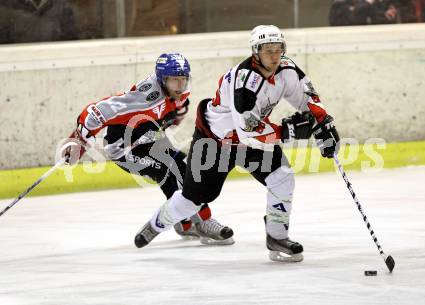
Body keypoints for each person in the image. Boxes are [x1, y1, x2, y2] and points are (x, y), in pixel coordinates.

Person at [134, 26, 340, 262]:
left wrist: (325, 125)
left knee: (282, 177)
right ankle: (155, 224)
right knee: (194, 198)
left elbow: (308, 100)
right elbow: (248, 132)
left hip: (251, 139)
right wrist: (287, 131)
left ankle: (277, 237)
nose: (274, 56)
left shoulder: (288, 69)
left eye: (278, 49)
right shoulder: (245, 82)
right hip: (215, 141)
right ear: (256, 52)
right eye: (267, 50)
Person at [61, 53, 234, 245]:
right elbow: (97, 111)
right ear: (162, 80)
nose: (180, 85)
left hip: (151, 139)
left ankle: (185, 224)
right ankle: (203, 222)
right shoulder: (145, 97)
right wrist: (78, 141)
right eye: (174, 80)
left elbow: (175, 108)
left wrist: (172, 116)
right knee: (170, 172)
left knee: (185, 168)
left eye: (183, 79)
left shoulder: (180, 91)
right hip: (125, 149)